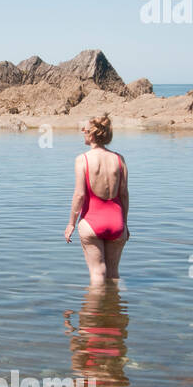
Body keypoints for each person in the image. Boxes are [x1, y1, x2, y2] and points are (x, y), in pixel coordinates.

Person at [64, 114, 128, 285]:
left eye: (84, 130)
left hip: (92, 222)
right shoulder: (119, 160)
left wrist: (71, 223)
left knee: (97, 273)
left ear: (91, 134)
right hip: (116, 222)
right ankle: (116, 310)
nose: (82, 132)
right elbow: (123, 195)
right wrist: (125, 224)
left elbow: (79, 195)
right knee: (113, 274)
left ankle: (93, 310)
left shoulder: (82, 160)